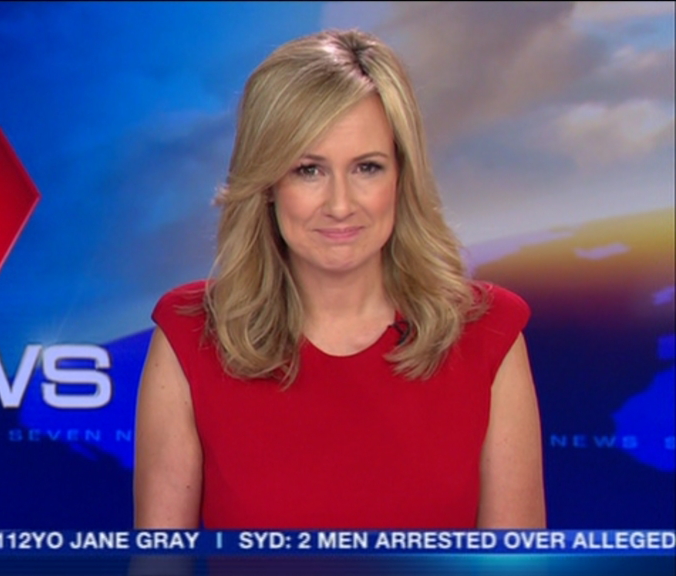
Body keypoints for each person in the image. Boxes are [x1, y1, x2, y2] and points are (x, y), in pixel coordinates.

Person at [134, 29, 546, 529]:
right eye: (309, 170)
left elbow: (513, 561)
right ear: (267, 183)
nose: (340, 205)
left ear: (401, 176)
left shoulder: (488, 333)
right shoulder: (192, 335)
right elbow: (159, 562)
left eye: (367, 167)